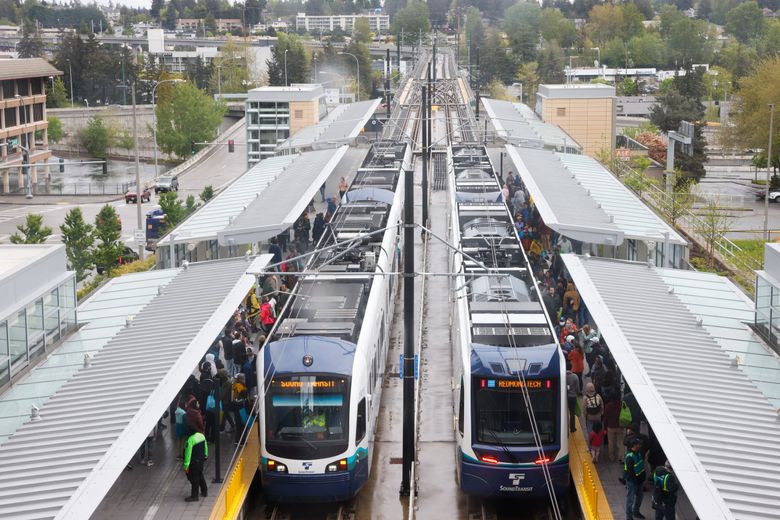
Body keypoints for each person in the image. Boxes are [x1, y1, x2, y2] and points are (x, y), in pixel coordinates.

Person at [183, 430, 209, 502]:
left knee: (194, 479)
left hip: (193, 463)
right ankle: (204, 491)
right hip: (201, 460)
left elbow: (188, 454)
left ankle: (194, 496)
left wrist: (186, 466)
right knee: (200, 475)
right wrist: (206, 455)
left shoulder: (190, 440)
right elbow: (205, 446)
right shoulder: (202, 436)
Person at [624, 438, 647, 520]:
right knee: (630, 499)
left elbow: (640, 466)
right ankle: (629, 516)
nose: (640, 445)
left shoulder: (638, 453)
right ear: (634, 445)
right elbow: (630, 472)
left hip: (639, 480)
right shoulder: (630, 457)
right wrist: (636, 480)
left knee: (640, 497)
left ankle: (636, 511)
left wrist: (643, 477)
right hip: (633, 482)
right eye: (639, 444)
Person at [603, 396, 623, 463]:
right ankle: (621, 457)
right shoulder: (621, 404)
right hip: (620, 426)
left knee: (611, 442)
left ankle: (611, 456)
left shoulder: (608, 406)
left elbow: (605, 418)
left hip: (610, 427)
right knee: (621, 442)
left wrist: (605, 427)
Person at [566, 364, 580, 433]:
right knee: (572, 413)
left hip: (565, 398)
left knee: (564, 413)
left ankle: (565, 428)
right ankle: (572, 428)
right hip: (573, 397)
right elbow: (577, 388)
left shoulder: (563, 376)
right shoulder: (575, 376)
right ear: (571, 368)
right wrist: (576, 393)